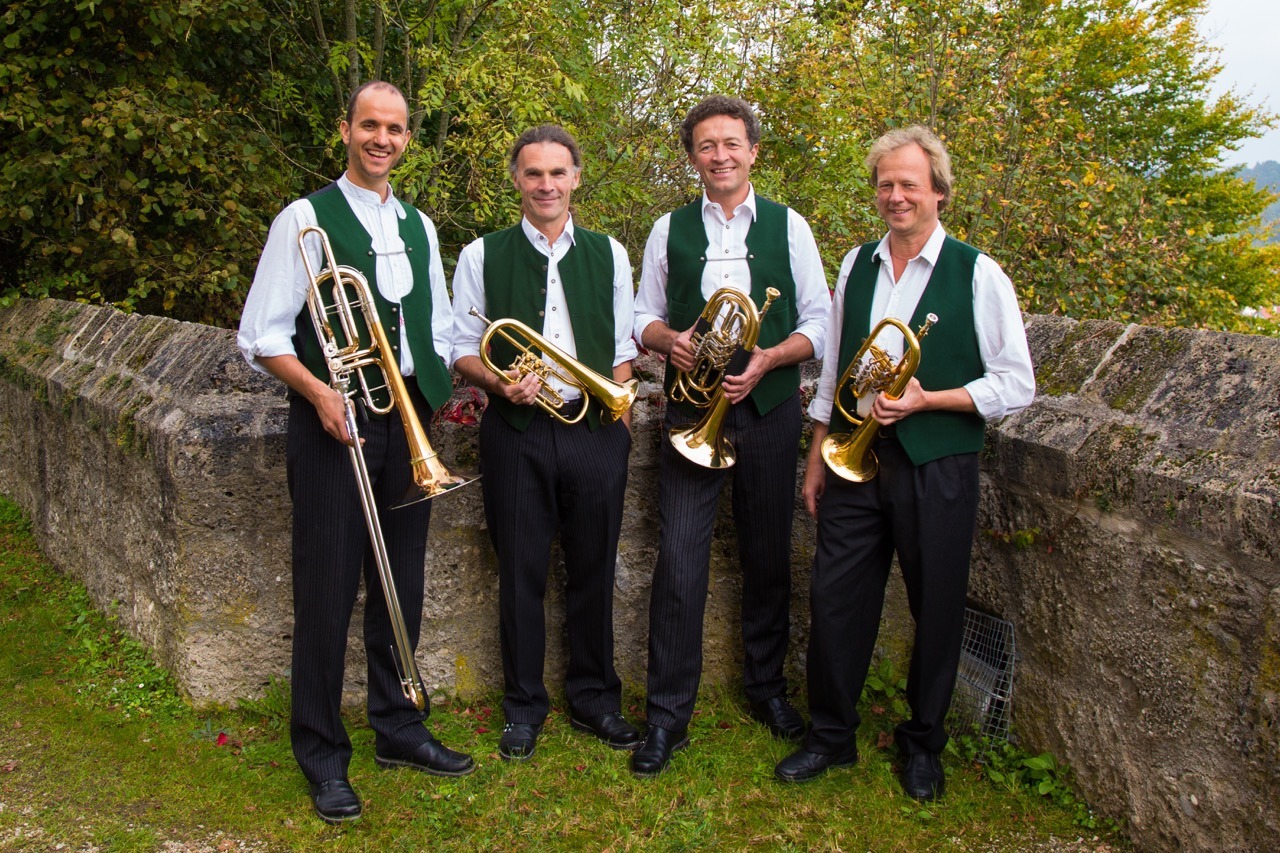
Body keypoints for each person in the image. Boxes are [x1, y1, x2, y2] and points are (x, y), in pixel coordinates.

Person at [773, 126, 1035, 801]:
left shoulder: (978, 272)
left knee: (936, 606)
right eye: (885, 184)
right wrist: (817, 454)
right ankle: (831, 735)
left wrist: (929, 399)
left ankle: (923, 745)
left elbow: (1017, 383)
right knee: (835, 598)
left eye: (909, 184)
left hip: (937, 463)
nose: (896, 196)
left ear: (939, 192)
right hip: (854, 458)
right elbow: (838, 366)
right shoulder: (856, 264)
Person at [237, 81, 474, 825]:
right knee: (328, 588)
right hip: (332, 420)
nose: (382, 139)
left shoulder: (420, 225)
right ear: (345, 130)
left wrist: (433, 394)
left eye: (395, 129)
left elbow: (436, 326)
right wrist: (318, 392)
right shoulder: (304, 218)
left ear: (407, 139)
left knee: (402, 583)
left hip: (406, 421)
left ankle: (398, 726)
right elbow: (261, 334)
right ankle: (321, 752)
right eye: (369, 125)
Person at [631, 95, 831, 778]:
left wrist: (771, 358)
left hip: (768, 408)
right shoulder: (668, 228)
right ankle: (667, 716)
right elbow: (641, 317)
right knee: (680, 562)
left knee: (767, 554)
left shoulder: (789, 225)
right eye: (706, 145)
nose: (719, 156)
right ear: (692, 157)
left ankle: (767, 689)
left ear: (753, 151)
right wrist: (670, 341)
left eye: (731, 143)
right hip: (692, 412)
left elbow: (819, 322)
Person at [451, 125, 641, 762]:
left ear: (576, 178)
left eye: (558, 172)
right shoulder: (480, 254)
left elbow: (622, 348)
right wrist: (498, 384)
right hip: (517, 433)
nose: (546, 184)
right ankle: (523, 707)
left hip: (595, 431)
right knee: (520, 574)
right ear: (517, 180)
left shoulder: (610, 253)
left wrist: (619, 422)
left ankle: (595, 699)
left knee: (594, 569)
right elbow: (460, 348)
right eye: (533, 173)